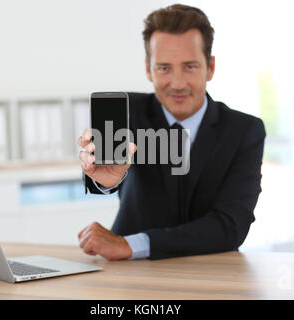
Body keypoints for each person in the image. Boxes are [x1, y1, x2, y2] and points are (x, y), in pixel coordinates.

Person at [77, 4, 266, 260]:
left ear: (210, 67)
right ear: (148, 69)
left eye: (189, 66)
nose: (177, 84)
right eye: (164, 68)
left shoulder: (244, 131)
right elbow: (105, 179)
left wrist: (131, 244)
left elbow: (230, 227)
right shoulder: (127, 112)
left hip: (211, 274)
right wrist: (102, 182)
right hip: (130, 274)